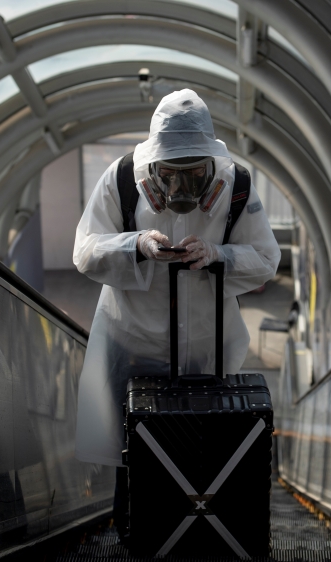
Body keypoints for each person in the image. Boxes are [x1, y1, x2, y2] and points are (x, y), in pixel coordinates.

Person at [71, 89, 280, 532]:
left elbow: (266, 257)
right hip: (132, 345)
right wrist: (136, 245)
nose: (181, 188)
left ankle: (195, 532)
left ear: (211, 163)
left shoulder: (236, 185)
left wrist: (218, 254)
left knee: (201, 447)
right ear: (153, 167)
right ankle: (138, 532)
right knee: (134, 448)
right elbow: (86, 251)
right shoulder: (123, 179)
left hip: (206, 350)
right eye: (170, 174)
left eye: (194, 174)